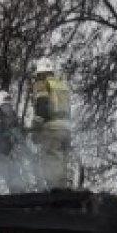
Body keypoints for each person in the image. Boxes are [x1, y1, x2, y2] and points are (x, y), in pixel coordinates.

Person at [31, 57, 72, 189]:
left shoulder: (42, 84)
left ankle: (55, 192)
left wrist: (35, 130)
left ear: (40, 73)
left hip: (52, 129)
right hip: (66, 129)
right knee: (62, 162)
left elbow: (41, 108)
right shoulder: (61, 85)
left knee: (51, 160)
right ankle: (63, 189)